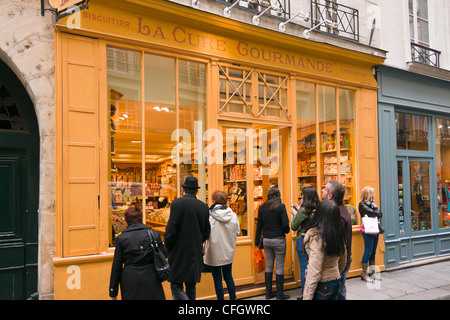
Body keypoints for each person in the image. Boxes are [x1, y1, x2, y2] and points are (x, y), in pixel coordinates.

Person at [164, 177, 211, 300]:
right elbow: (207, 231)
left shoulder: (177, 204)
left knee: (176, 285)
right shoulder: (203, 207)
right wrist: (198, 240)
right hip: (194, 251)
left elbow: (170, 231)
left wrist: (167, 248)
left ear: (183, 189)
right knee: (191, 286)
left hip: (178, 251)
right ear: (196, 191)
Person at [109, 206, 167, 300]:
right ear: (141, 218)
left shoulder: (122, 238)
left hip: (130, 280)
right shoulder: (154, 234)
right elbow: (164, 254)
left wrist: (113, 291)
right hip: (151, 278)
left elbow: (117, 266)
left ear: (126, 220)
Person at [302, 199, 347, 300]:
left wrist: (307, 296)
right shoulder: (339, 234)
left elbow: (314, 269)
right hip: (335, 280)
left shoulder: (318, 237)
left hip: (322, 284)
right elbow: (343, 261)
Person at [255, 187, 290, 300]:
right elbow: (285, 225)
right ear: (278, 196)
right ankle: (280, 294)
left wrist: (257, 242)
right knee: (279, 266)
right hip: (279, 239)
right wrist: (286, 230)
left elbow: (259, 226)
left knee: (269, 266)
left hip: (267, 240)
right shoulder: (281, 207)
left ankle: (268, 293)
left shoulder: (262, 208)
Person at [204, 190, 240, 300]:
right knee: (228, 276)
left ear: (214, 200)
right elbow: (237, 231)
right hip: (228, 250)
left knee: (217, 279)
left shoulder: (209, 215)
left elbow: (205, 233)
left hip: (214, 251)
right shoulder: (232, 215)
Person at [321, 180, 352, 300]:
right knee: (340, 290)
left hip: (337, 262)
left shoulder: (338, 215)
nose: (322, 191)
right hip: (339, 260)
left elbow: (332, 239)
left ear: (330, 196)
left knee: (337, 292)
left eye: (324, 189)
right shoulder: (340, 211)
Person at [291, 186, 320, 299]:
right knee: (314, 267)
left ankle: (305, 294)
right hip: (316, 239)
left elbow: (294, 227)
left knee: (304, 268)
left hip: (302, 239)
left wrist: (295, 214)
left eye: (302, 195)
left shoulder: (303, 211)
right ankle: (314, 292)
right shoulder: (318, 208)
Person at [359, 186, 383, 282]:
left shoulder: (372, 204)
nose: (374, 195)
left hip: (375, 229)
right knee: (368, 251)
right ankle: (364, 274)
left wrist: (376, 212)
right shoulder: (362, 204)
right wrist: (376, 212)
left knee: (373, 251)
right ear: (368, 194)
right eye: (372, 193)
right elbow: (374, 213)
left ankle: (372, 273)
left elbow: (379, 214)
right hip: (367, 230)